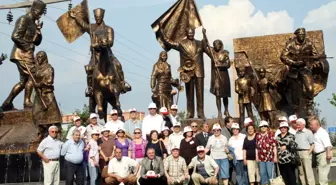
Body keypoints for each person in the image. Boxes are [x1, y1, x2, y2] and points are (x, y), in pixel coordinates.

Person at [1, 0, 45, 110]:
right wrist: (27, 46)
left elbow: (36, 42)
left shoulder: (34, 24)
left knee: (24, 81)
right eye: (39, 13)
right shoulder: (24, 19)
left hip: (28, 54)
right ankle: (27, 102)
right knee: (33, 76)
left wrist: (38, 32)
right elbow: (15, 36)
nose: (40, 16)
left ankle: (7, 102)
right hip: (21, 53)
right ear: (35, 10)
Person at [160, 26, 207, 119]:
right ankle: (190, 112)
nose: (191, 34)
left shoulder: (200, 43)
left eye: (192, 32)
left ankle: (201, 112)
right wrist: (162, 33)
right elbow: (169, 42)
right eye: (189, 33)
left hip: (199, 71)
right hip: (187, 72)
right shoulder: (181, 43)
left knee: (200, 94)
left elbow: (208, 48)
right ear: (186, 33)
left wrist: (204, 35)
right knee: (189, 95)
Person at [280, 28, 321, 115]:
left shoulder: (309, 43)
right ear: (297, 35)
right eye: (300, 35)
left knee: (310, 88)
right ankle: (296, 110)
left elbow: (315, 55)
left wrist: (311, 61)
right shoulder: (291, 44)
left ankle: (309, 106)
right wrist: (293, 63)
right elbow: (283, 56)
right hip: (294, 71)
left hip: (305, 69)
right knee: (295, 93)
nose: (302, 36)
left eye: (303, 35)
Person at [203, 37, 231, 118]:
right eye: (214, 44)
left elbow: (228, 64)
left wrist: (220, 65)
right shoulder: (212, 54)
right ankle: (219, 112)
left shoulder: (225, 54)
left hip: (224, 76)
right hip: (216, 77)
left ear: (221, 45)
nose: (216, 46)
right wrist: (204, 36)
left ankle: (226, 110)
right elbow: (205, 47)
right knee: (218, 94)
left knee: (225, 95)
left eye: (218, 44)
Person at [309, 117, 333, 185]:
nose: (310, 126)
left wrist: (328, 154)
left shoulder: (322, 132)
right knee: (320, 174)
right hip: (318, 155)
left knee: (322, 176)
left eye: (311, 125)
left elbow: (328, 144)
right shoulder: (315, 132)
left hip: (323, 155)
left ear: (317, 125)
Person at [255, 120, 277, 185]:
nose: (263, 127)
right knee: (262, 173)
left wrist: (275, 156)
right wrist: (256, 156)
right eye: (262, 126)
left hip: (270, 158)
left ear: (267, 127)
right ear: (260, 127)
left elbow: (274, 146)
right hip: (261, 158)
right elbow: (256, 147)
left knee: (271, 173)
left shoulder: (271, 135)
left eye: (265, 126)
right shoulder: (257, 136)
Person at [295, 118, 315, 185]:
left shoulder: (308, 132)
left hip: (306, 152)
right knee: (301, 172)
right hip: (298, 153)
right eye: (297, 125)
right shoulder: (296, 133)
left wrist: (308, 153)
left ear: (303, 124)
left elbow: (312, 144)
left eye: (299, 125)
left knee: (308, 172)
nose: (297, 126)